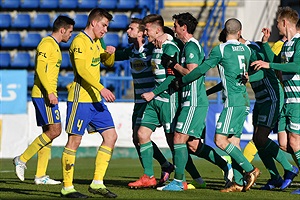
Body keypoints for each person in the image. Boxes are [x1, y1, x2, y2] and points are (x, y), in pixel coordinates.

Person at [140, 12, 233, 191]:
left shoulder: (190, 46)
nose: (173, 29)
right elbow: (166, 34)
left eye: (175, 26)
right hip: (188, 100)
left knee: (178, 138)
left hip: (194, 101)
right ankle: (225, 164)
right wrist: (165, 36)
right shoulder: (185, 45)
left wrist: (173, 65)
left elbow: (191, 72)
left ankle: (179, 181)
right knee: (192, 145)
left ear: (183, 27)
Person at [171, 18, 260, 192]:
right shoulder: (247, 50)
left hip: (233, 102)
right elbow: (244, 74)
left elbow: (199, 70)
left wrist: (183, 80)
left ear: (225, 31)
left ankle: (250, 170)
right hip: (243, 101)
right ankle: (238, 182)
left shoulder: (220, 49)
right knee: (233, 143)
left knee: (219, 140)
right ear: (239, 32)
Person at [60, 8, 118, 198]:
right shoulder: (79, 41)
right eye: (104, 25)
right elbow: (82, 70)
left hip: (95, 99)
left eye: (107, 27)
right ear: (93, 23)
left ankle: (97, 183)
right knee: (74, 141)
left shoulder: (96, 41)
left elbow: (108, 63)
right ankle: (67, 187)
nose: (105, 30)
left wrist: (110, 53)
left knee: (111, 136)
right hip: (80, 99)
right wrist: (101, 88)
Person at [13, 15, 75, 185]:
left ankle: (40, 176)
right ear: (62, 30)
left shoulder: (54, 45)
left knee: (49, 133)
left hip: (46, 94)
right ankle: (22, 159)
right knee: (55, 130)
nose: (70, 35)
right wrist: (49, 92)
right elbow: (40, 68)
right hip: (43, 94)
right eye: (69, 31)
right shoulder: (47, 44)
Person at [114, 18, 175, 186]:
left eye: (131, 28)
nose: (127, 31)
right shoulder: (130, 51)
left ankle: (176, 174)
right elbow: (112, 57)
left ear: (141, 32)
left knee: (161, 138)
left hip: (155, 99)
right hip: (139, 100)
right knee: (137, 138)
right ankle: (164, 166)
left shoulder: (152, 47)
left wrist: (167, 38)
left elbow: (169, 42)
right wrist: (105, 50)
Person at [251, 7, 300, 194]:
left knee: (294, 143)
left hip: (297, 101)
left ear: (285, 23)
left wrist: (268, 64)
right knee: (285, 144)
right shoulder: (287, 44)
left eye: (278, 22)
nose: (276, 25)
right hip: (287, 101)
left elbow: (297, 66)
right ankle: (289, 171)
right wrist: (265, 44)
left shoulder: (298, 43)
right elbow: (274, 61)